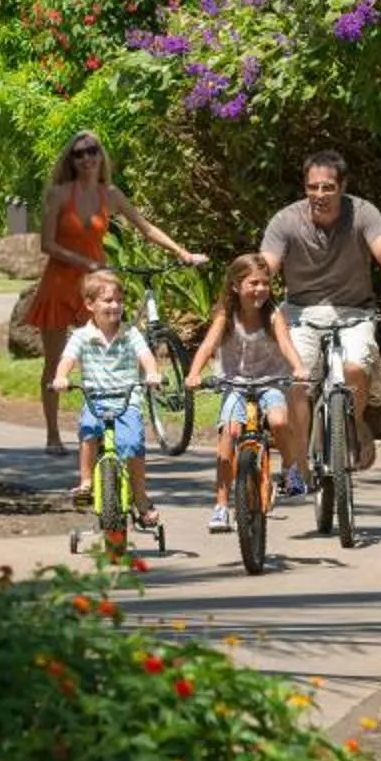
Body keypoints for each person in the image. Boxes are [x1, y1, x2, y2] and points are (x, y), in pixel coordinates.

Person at [21, 131, 206, 456]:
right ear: (71, 160)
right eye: (78, 154)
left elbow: (145, 228)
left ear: (100, 155)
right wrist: (84, 261)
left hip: (96, 284)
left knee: (103, 353)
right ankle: (52, 434)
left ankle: (104, 426)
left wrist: (182, 252)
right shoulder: (59, 194)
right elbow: (47, 244)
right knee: (55, 361)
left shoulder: (111, 194)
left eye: (91, 151)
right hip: (61, 284)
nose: (86, 158)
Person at [260, 149, 381, 489]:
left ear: (343, 187)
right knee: (296, 383)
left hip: (355, 310)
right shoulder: (286, 221)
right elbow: (265, 266)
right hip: (300, 312)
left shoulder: (363, 213)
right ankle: (299, 462)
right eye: (312, 187)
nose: (319, 195)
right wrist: (253, 300)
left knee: (357, 367)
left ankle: (353, 423)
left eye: (328, 188)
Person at [185, 251, 304, 532]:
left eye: (265, 282)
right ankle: (221, 505)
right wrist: (194, 374)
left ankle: (290, 470)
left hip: (270, 380)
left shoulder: (273, 314)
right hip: (234, 383)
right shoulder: (227, 315)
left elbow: (286, 345)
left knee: (279, 421)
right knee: (229, 435)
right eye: (253, 283)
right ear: (236, 286)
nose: (260, 289)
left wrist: (298, 367)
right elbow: (207, 346)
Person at [49, 268, 164, 528]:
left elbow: (145, 355)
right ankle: (86, 482)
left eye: (119, 301)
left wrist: (153, 373)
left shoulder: (130, 333)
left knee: (133, 444)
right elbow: (67, 359)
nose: (115, 306)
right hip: (96, 398)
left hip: (127, 398)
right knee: (88, 430)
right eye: (108, 301)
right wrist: (61, 378)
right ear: (90, 304)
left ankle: (141, 497)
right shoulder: (81, 336)